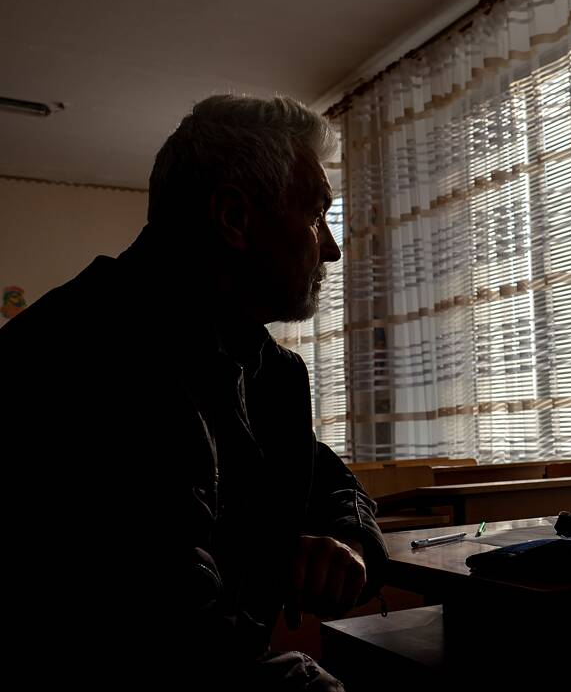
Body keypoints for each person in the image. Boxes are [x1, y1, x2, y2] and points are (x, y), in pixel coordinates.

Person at [0, 95, 387, 689]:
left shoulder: (271, 370)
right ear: (235, 217)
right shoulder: (74, 353)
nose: (331, 247)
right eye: (316, 215)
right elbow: (165, 637)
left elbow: (329, 479)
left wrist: (348, 538)